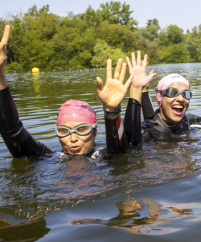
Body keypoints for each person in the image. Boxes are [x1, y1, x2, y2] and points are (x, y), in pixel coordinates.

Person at [0, 25, 133, 158]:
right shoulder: (49, 158)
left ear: (94, 131)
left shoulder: (104, 156)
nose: (73, 138)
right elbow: (13, 134)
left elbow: (119, 156)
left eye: (82, 129)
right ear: (58, 135)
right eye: (64, 131)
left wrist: (111, 111)